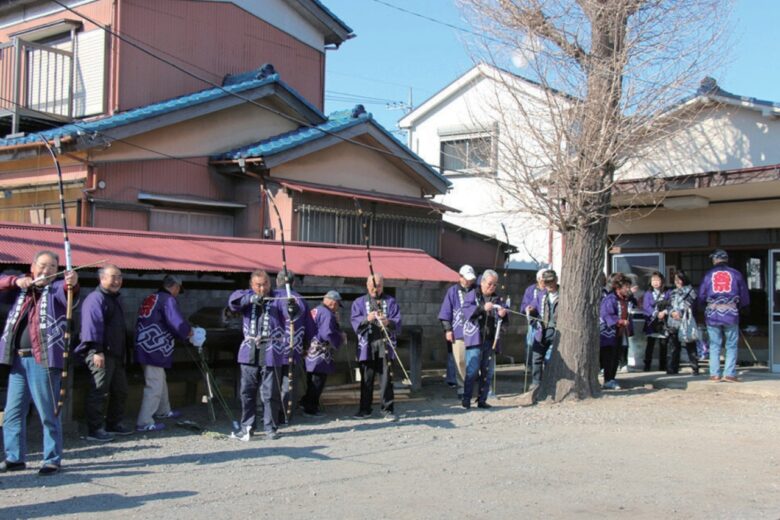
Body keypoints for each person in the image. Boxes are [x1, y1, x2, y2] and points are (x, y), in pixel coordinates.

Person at [0, 250, 78, 475]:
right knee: (13, 411)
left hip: (42, 360)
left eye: (53, 267)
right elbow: (3, 282)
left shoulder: (56, 290)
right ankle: (15, 457)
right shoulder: (20, 289)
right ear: (32, 267)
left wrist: (72, 282)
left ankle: (52, 458)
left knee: (47, 412)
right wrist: (17, 281)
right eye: (43, 266)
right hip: (17, 360)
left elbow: (69, 291)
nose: (47, 271)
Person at [228, 269, 286, 440]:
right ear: (252, 285)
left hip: (271, 351)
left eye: (265, 284)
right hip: (249, 351)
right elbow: (233, 302)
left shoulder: (279, 297)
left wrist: (291, 307)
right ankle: (247, 427)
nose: (262, 288)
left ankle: (270, 427)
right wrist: (251, 298)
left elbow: (292, 311)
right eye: (258, 285)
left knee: (270, 393)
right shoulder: (245, 295)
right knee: (246, 392)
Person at [78, 264, 132, 442]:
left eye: (119, 277)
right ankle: (94, 428)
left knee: (120, 390)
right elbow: (91, 326)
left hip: (116, 354)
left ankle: (113, 423)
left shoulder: (115, 299)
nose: (117, 281)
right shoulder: (96, 298)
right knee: (99, 390)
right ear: (102, 278)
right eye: (113, 277)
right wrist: (96, 350)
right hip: (100, 352)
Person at [134, 274, 193, 432]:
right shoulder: (167, 300)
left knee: (159, 378)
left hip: (144, 342)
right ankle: (144, 421)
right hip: (154, 346)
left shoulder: (152, 297)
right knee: (154, 383)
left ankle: (163, 410)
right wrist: (189, 332)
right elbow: (176, 321)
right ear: (175, 286)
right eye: (178, 289)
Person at [351, 273, 402, 421]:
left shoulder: (390, 302)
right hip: (366, 344)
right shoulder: (359, 302)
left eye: (378, 285)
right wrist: (367, 318)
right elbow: (355, 322)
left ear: (382, 286)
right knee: (366, 378)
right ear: (367, 285)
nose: (375, 288)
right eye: (373, 285)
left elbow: (397, 321)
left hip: (385, 344)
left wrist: (387, 322)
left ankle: (387, 409)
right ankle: (364, 409)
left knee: (386, 378)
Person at [699, 249, 750, 382]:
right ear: (726, 260)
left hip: (713, 314)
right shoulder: (736, 274)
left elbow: (702, 295)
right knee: (731, 345)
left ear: (715, 259)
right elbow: (744, 296)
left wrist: (702, 306)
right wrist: (742, 307)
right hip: (731, 313)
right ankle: (729, 373)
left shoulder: (708, 274)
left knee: (715, 345)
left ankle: (715, 374)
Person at [461, 269, 508, 409]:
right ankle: (466, 398)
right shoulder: (472, 295)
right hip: (475, 339)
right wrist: (482, 308)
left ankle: (482, 399)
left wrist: (503, 314)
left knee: (487, 371)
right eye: (489, 284)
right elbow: (466, 311)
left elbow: (505, 321)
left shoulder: (498, 299)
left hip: (490, 339)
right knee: (472, 370)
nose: (492, 287)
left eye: (495, 284)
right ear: (482, 283)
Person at [271, 270, 313, 425]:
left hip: (271, 348)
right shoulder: (300, 300)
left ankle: (271, 415)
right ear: (293, 283)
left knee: (271, 382)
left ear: (277, 280)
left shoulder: (271, 297)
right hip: (293, 347)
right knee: (289, 383)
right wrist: (306, 346)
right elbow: (310, 327)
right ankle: (285, 415)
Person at [300, 290, 345, 416]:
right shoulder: (327, 314)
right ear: (332, 303)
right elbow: (327, 333)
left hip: (309, 350)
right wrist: (340, 337)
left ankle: (306, 403)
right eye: (337, 305)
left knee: (311, 380)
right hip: (320, 353)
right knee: (317, 381)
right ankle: (310, 408)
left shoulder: (316, 310)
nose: (337, 309)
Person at [438, 264, 477, 399]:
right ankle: (462, 388)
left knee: (473, 360)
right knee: (459, 360)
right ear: (460, 277)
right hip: (458, 331)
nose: (469, 281)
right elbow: (445, 312)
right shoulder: (452, 291)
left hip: (474, 332)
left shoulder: (476, 290)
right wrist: (448, 329)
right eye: (466, 278)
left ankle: (471, 387)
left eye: (471, 279)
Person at [525, 269, 559, 391]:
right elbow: (533, 306)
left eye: (551, 281)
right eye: (546, 282)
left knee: (550, 359)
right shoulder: (541, 295)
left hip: (556, 331)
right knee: (536, 356)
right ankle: (536, 383)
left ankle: (550, 383)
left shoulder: (563, 295)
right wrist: (530, 309)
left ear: (556, 280)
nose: (548, 285)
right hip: (542, 330)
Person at [600, 273, 633, 390]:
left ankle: (611, 378)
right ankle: (608, 379)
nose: (628, 289)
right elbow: (606, 314)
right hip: (609, 334)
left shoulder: (625, 299)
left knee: (616, 357)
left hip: (619, 333)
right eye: (626, 287)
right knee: (609, 357)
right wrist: (619, 321)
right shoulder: (610, 299)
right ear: (618, 288)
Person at [666, 270, 700, 375]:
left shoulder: (691, 291)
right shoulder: (672, 292)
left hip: (686, 321)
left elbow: (690, 304)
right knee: (673, 347)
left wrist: (680, 312)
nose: (677, 281)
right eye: (676, 279)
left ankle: (694, 368)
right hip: (673, 321)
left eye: (679, 279)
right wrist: (672, 313)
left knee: (690, 345)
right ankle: (672, 369)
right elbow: (669, 305)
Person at [521, 268, 547, 382]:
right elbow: (524, 305)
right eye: (542, 280)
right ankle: (530, 366)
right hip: (534, 323)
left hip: (548, 323)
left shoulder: (550, 290)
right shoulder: (530, 290)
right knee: (531, 344)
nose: (544, 283)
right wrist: (528, 309)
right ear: (538, 279)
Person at [642, 272, 670, 372]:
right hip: (652, 322)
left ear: (662, 281)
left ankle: (663, 366)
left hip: (663, 322)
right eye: (653, 280)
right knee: (650, 344)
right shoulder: (648, 293)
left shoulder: (667, 292)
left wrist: (665, 312)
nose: (655, 282)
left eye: (657, 280)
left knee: (664, 344)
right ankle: (647, 366)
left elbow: (671, 304)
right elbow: (646, 306)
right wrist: (656, 313)